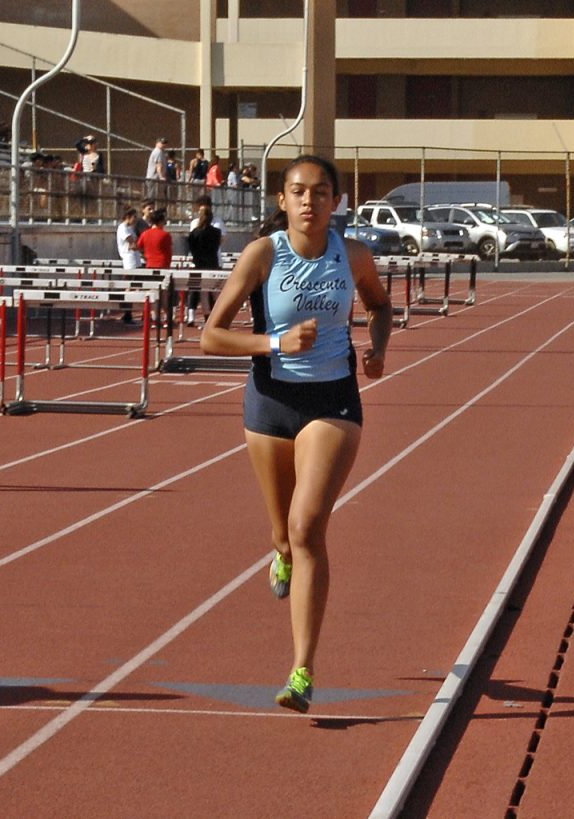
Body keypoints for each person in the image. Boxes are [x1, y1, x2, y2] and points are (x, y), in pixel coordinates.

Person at [200, 155, 392, 714]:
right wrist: (274, 344)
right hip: (271, 403)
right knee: (284, 533)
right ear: (282, 200)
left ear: (337, 201)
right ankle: (279, 551)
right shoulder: (263, 255)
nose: (310, 201)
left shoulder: (353, 255)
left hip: (333, 400)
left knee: (307, 527)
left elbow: (380, 306)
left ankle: (302, 670)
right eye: (299, 192)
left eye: (321, 192)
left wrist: (378, 348)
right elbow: (212, 336)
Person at [185, 201, 222, 325]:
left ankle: (207, 317)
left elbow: (192, 249)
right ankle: (219, 316)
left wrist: (197, 258)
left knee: (204, 293)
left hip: (199, 265)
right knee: (216, 292)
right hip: (213, 263)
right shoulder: (216, 232)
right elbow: (217, 246)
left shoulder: (194, 233)